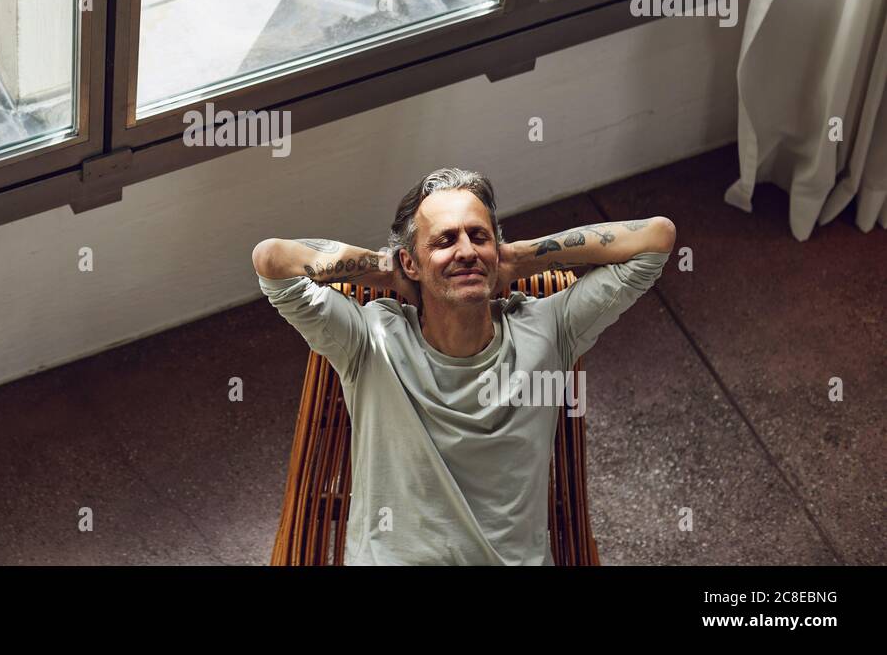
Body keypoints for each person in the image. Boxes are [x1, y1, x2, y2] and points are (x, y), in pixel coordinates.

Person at [251, 167, 676, 565]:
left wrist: (521, 259)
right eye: (445, 241)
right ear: (410, 262)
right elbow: (273, 261)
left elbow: (656, 238)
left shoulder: (548, 329)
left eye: (479, 236)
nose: (467, 251)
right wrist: (387, 271)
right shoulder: (369, 340)